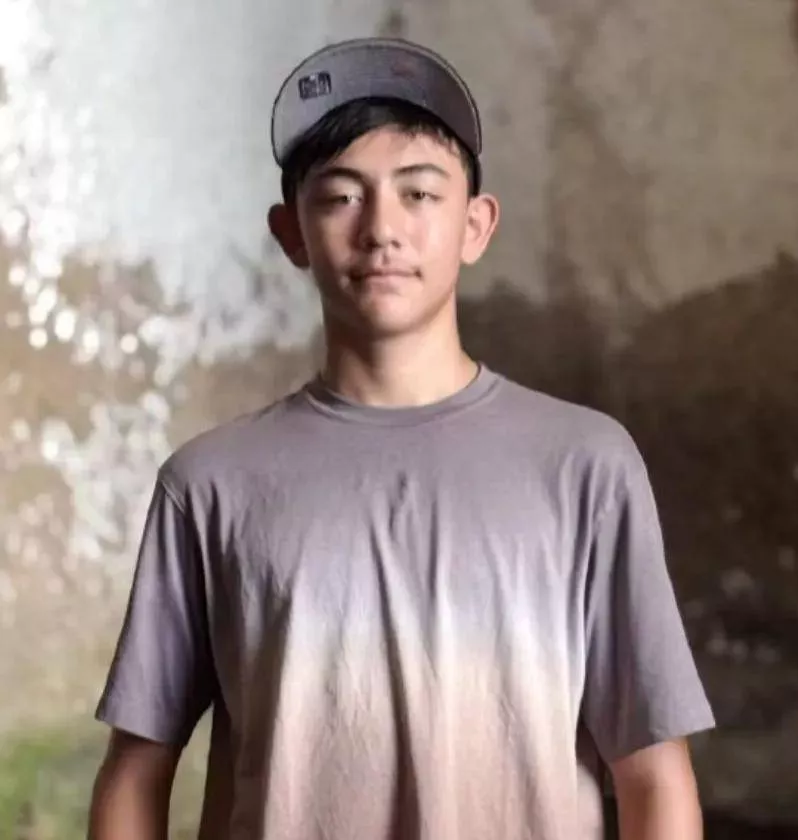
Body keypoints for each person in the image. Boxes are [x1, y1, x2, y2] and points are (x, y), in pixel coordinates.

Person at [87, 36, 715, 840]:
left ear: (475, 225)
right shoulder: (209, 484)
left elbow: (654, 775)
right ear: (291, 232)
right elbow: (136, 772)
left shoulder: (585, 465)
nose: (382, 228)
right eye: (340, 196)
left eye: (419, 193)